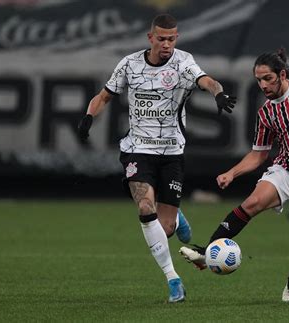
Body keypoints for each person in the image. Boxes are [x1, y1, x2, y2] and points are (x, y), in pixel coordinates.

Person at [77, 14, 236, 303]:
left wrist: (219, 94)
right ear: (150, 38)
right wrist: (88, 117)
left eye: (172, 38)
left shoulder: (183, 62)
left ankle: (176, 216)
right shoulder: (129, 64)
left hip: (172, 152)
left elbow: (206, 80)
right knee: (144, 206)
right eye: (161, 38)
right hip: (138, 149)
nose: (166, 44)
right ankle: (173, 279)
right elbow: (103, 96)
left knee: (167, 229)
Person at [180, 48, 289, 302]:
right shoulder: (266, 113)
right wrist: (232, 173)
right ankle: (206, 251)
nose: (262, 85)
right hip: (286, 170)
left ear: (282, 74)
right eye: (258, 80)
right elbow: (258, 155)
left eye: (267, 79)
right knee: (251, 203)